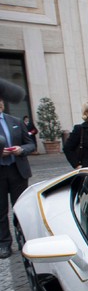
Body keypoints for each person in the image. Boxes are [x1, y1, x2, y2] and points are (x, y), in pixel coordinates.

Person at [0, 79, 36, 259]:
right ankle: (4, 244)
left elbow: (31, 144)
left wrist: (21, 150)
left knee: (20, 207)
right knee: (0, 210)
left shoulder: (15, 121)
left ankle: (25, 240)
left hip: (17, 170)